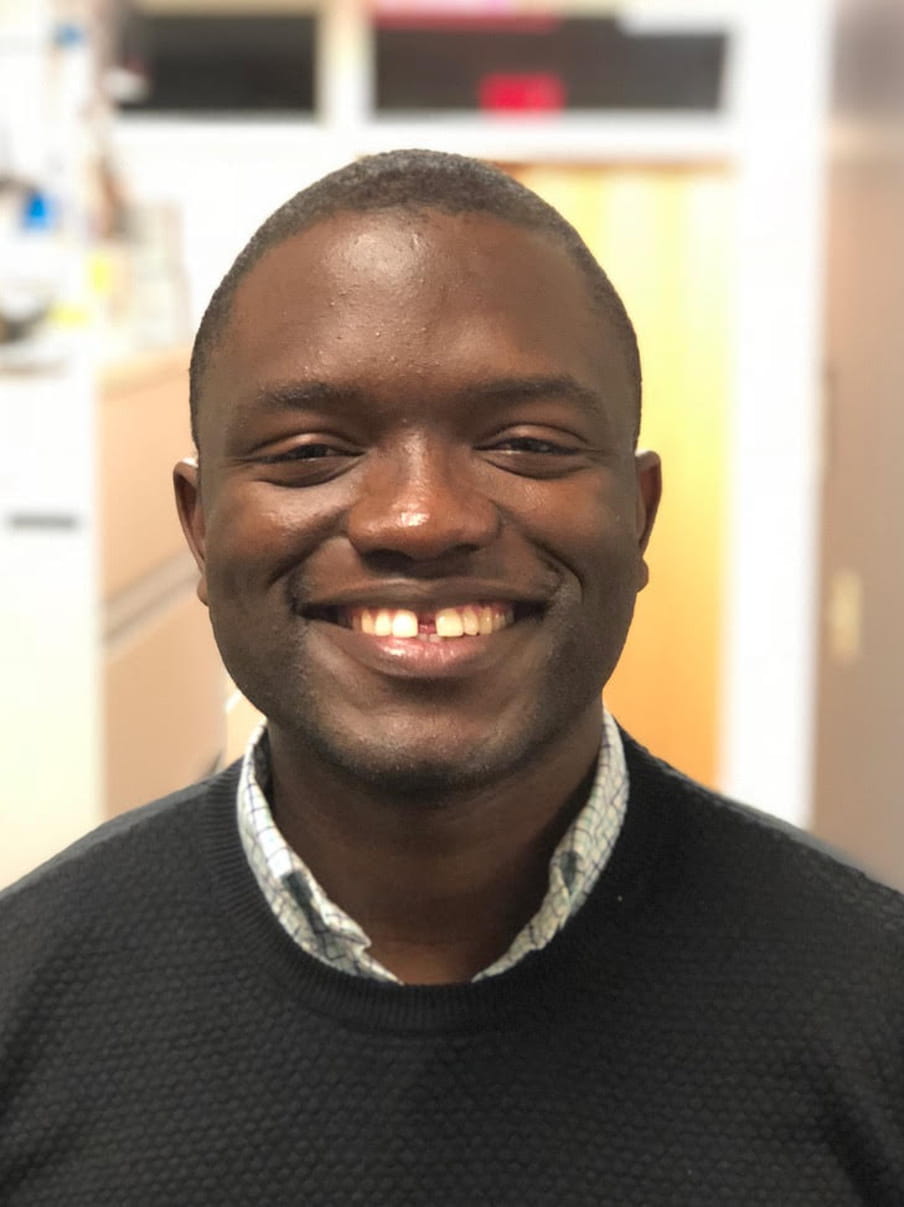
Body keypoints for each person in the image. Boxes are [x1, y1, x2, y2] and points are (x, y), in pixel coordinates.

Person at [2, 150, 903, 1205]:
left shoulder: (873, 1010)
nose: (419, 518)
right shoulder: (24, 1007)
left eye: (523, 444)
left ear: (638, 515)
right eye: (309, 452)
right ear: (201, 535)